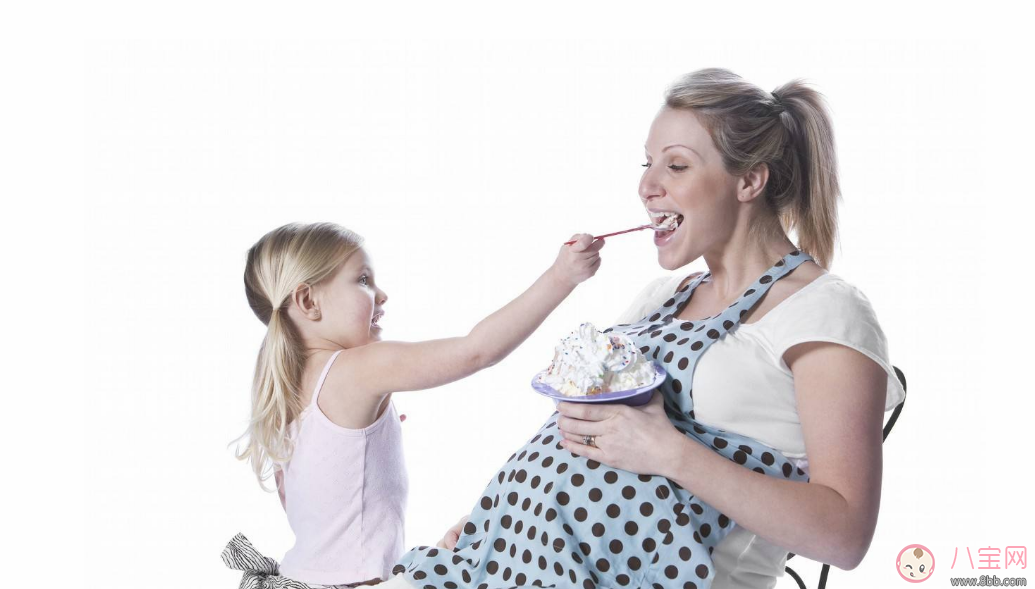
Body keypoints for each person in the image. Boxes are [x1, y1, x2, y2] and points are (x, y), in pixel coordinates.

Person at [387, 68, 905, 589]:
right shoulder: (661, 299)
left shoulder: (823, 312)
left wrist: (670, 452)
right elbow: (572, 438)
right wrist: (492, 520)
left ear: (749, 181)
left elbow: (844, 536)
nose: (646, 186)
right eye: (647, 164)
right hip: (505, 565)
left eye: (676, 166)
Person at [224, 222, 605, 588]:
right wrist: (561, 276)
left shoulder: (285, 392)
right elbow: (476, 351)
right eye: (362, 280)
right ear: (308, 301)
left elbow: (331, 520)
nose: (382, 294)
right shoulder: (356, 370)